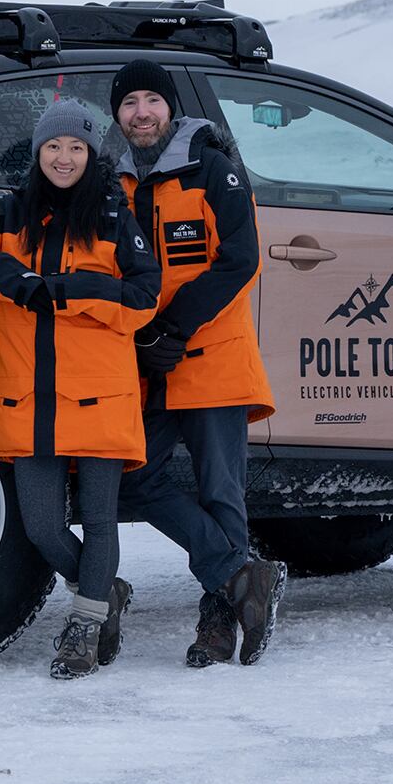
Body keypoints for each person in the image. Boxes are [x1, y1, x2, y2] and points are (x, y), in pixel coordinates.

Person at [0, 100, 160, 679]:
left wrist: (72, 289)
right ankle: (102, 588)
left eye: (77, 148)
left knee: (99, 520)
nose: (64, 157)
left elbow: (144, 295)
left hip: (100, 393)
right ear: (38, 152)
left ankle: (84, 626)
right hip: (27, 397)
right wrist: (21, 283)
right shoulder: (10, 212)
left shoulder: (113, 216)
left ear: (90, 155)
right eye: (54, 147)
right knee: (42, 526)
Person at [108, 58, 286, 668]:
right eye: (129, 103)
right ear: (118, 116)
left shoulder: (214, 171)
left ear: (169, 109)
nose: (140, 113)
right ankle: (239, 574)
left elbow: (240, 261)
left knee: (220, 493)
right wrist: (141, 336)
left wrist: (174, 326)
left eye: (150, 101)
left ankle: (219, 624)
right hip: (145, 365)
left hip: (209, 358)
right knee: (136, 476)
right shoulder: (114, 187)